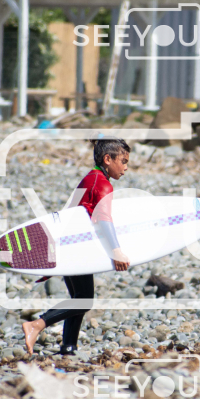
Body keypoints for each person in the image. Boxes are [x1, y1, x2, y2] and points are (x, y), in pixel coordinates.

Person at [22, 138, 131, 356]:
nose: (126, 168)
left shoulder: (90, 178)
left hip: (69, 244)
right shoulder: (103, 184)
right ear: (107, 159)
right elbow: (104, 218)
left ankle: (68, 347)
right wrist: (116, 250)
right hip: (77, 247)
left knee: (79, 298)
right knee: (84, 300)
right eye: (123, 161)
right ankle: (36, 325)